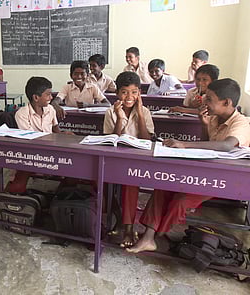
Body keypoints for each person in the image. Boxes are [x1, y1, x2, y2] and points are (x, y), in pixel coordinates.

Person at [128, 78, 250, 254]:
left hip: (226, 180)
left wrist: (184, 144)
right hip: (207, 171)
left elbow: (226, 146)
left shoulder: (240, 123)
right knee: (163, 186)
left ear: (226, 102)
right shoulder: (215, 117)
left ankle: (157, 234)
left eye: (209, 99)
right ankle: (149, 237)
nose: (204, 102)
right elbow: (209, 146)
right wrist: (204, 125)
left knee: (181, 199)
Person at [103, 71, 155, 247]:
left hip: (136, 161)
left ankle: (128, 227)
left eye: (134, 92)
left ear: (139, 93)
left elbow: (147, 140)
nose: (129, 96)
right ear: (117, 93)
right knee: (101, 183)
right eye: (124, 92)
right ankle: (120, 218)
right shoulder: (111, 111)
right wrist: (119, 119)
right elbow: (111, 140)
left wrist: (140, 114)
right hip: (115, 159)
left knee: (129, 183)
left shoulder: (145, 112)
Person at [5, 76, 63, 193]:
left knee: (71, 176)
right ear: (36, 97)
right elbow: (30, 139)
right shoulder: (22, 114)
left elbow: (56, 129)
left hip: (51, 151)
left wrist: (64, 136)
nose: (51, 97)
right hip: (31, 155)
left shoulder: (50, 109)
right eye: (48, 94)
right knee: (17, 187)